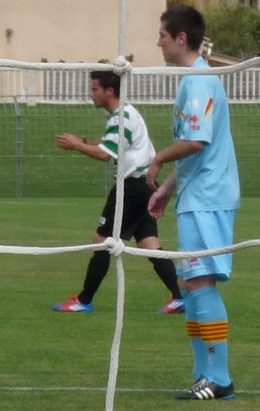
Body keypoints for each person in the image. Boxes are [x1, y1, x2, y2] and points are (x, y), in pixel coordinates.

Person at [148, 5, 240, 401]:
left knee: (199, 282)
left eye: (163, 36)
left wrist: (158, 158)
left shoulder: (199, 81)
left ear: (181, 38)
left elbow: (197, 142)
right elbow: (197, 151)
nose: (158, 42)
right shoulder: (195, 80)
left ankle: (219, 378)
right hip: (197, 194)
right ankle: (204, 374)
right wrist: (169, 187)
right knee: (188, 283)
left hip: (208, 197)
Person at [51, 70, 183, 315]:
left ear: (109, 91)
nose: (91, 94)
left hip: (132, 188)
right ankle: (180, 296)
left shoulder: (121, 117)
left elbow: (104, 154)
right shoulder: (124, 115)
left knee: (102, 242)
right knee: (149, 244)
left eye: (94, 90)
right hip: (142, 186)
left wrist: (77, 146)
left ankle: (84, 301)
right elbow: (109, 147)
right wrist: (85, 145)